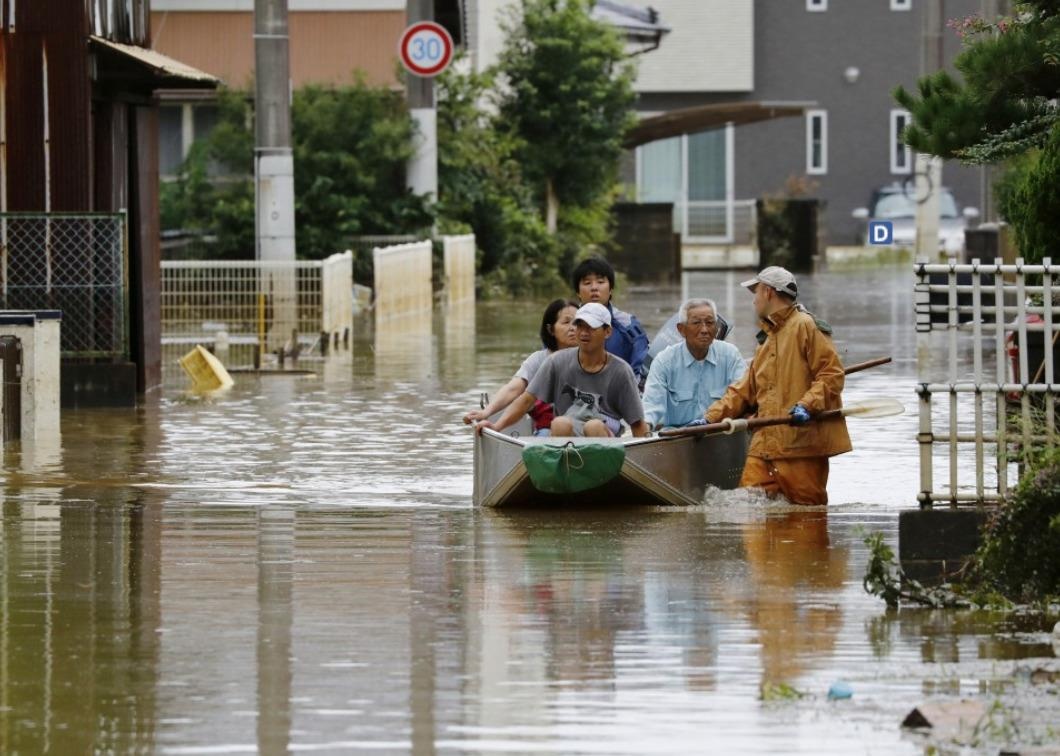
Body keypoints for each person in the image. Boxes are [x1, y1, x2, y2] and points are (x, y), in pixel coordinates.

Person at [704, 266, 851, 505]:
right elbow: (744, 391)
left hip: (801, 446)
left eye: (756, 293)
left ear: (768, 292)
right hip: (764, 447)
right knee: (746, 512)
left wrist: (806, 405)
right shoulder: (766, 340)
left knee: (807, 521)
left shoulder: (806, 326)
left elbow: (831, 375)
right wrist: (710, 418)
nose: (754, 301)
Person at [476, 303, 649, 438]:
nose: (583, 333)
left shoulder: (621, 371)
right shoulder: (556, 362)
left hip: (604, 435)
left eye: (591, 327)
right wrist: (497, 426)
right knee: (559, 423)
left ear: (607, 332)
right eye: (580, 326)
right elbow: (526, 400)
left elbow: (637, 423)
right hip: (566, 433)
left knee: (593, 426)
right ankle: (563, 476)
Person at [463, 298, 579, 435]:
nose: (573, 328)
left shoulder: (592, 358)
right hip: (547, 430)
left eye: (578, 322)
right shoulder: (540, 360)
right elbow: (514, 389)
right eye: (566, 322)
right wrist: (486, 412)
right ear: (550, 329)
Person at [642, 298, 747, 430]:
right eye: (696, 323)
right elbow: (652, 405)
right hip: (676, 438)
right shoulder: (664, 361)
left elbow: (742, 396)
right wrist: (645, 426)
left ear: (716, 329)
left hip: (718, 433)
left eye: (709, 323)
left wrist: (709, 420)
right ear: (681, 329)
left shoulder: (730, 355)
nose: (704, 330)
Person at [571, 256, 650, 386]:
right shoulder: (566, 324)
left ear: (610, 289)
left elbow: (641, 371)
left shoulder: (628, 325)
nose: (594, 288)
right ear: (578, 292)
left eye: (600, 282)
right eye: (587, 283)